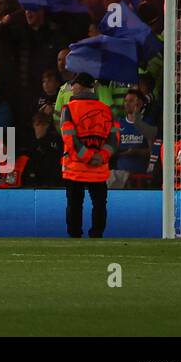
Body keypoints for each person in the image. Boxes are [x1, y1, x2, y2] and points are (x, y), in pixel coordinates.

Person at [60, 72, 121, 238]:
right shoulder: (107, 110)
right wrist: (101, 156)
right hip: (99, 168)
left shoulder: (69, 109)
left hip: (75, 167)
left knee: (74, 204)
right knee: (99, 204)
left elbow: (69, 137)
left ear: (80, 86)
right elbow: (114, 138)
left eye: (74, 84)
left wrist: (86, 156)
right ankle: (96, 234)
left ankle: (74, 236)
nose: (72, 87)